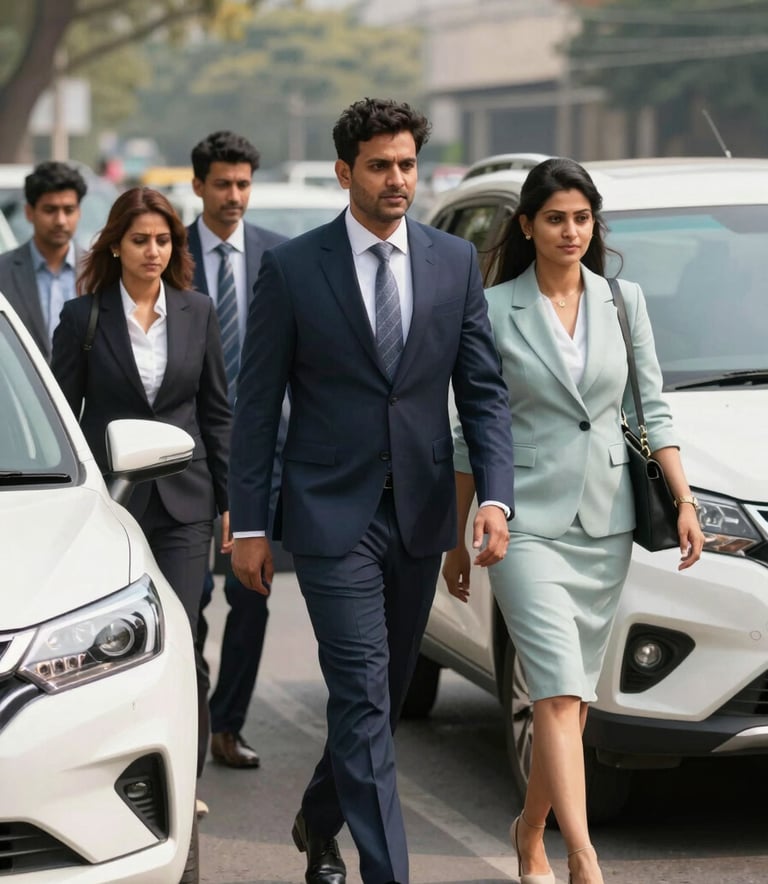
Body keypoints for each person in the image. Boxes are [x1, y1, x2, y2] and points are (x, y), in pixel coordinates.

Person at [228, 97, 516, 884]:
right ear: (344, 171)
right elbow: (256, 408)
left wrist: (493, 496)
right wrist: (249, 523)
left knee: (379, 701)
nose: (398, 180)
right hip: (329, 515)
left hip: (420, 512)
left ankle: (320, 820)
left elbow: (482, 392)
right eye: (381, 166)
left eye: (407, 165)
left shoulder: (452, 263)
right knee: (359, 693)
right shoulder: (291, 267)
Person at [443, 157, 704, 884]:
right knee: (557, 689)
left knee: (573, 704)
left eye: (582, 218)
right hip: (521, 522)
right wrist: (455, 539)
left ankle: (530, 831)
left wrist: (683, 500)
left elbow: (649, 413)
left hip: (606, 522)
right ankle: (584, 860)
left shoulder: (624, 302)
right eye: (555, 218)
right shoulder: (493, 310)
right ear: (526, 225)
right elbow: (467, 432)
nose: (570, 231)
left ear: (595, 226)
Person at [50, 186, 231, 802]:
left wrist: (233, 503)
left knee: (182, 634)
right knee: (107, 643)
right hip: (109, 504)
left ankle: (184, 780)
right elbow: (64, 419)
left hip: (186, 501)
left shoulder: (197, 311)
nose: (152, 251)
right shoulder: (84, 318)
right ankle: (107, 775)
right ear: (116, 245)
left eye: (163, 240)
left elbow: (217, 413)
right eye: (139, 240)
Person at [187, 130, 288, 770]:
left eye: (243, 183)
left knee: (253, 592)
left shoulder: (279, 257)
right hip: (186, 453)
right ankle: (191, 712)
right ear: (198, 186)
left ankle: (228, 723)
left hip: (263, 453)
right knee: (187, 594)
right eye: (222, 183)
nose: (233, 196)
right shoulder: (172, 256)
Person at [0, 161, 87, 360]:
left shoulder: (101, 271)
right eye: (50, 210)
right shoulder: (3, 273)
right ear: (29, 212)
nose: (60, 221)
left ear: (79, 212)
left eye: (69, 210)